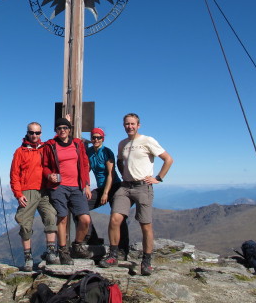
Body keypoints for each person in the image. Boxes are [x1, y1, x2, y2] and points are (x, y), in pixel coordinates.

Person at [99, 113, 174, 276]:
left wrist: (158, 178)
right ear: (123, 125)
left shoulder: (148, 141)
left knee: (145, 225)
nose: (129, 126)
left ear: (138, 125)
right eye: (127, 124)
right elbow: (120, 161)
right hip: (125, 187)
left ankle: (146, 261)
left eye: (132, 124)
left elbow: (168, 159)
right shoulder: (122, 144)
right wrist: (125, 173)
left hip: (143, 186)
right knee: (115, 219)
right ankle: (113, 255)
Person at [42, 117, 92, 265]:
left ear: (69, 130)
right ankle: (63, 251)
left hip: (77, 186)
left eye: (65, 128)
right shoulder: (50, 145)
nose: (62, 130)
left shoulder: (77, 144)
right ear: (56, 131)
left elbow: (84, 164)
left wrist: (87, 184)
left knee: (85, 219)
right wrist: (48, 175)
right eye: (59, 128)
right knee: (62, 218)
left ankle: (77, 245)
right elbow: (44, 166)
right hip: (59, 187)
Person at [10, 122, 59, 271]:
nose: (34, 135)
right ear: (27, 133)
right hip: (27, 192)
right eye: (32, 132)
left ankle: (51, 252)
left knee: (51, 217)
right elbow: (14, 175)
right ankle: (28, 258)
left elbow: (60, 138)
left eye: (37, 133)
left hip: (44, 190)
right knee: (25, 224)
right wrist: (18, 194)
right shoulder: (20, 151)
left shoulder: (46, 148)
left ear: (41, 134)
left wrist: (66, 122)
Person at [85, 128, 129, 256]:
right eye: (94, 137)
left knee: (118, 217)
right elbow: (86, 170)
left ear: (103, 139)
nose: (96, 140)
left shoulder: (107, 152)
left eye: (99, 137)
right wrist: (86, 186)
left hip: (114, 186)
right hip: (101, 188)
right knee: (81, 207)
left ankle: (122, 249)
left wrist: (105, 193)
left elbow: (111, 174)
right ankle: (92, 239)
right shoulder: (89, 152)